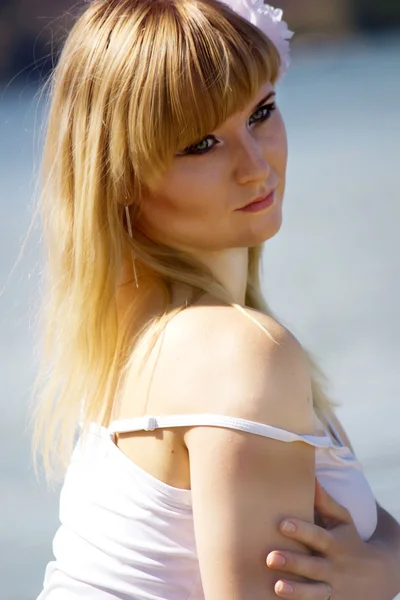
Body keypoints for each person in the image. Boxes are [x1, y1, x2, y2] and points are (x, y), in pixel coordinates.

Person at [32, 1, 400, 599]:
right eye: (201, 143)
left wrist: (384, 563)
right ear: (122, 180)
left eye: (262, 113)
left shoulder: (141, 340)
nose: (256, 166)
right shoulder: (239, 353)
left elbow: (372, 526)